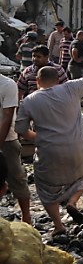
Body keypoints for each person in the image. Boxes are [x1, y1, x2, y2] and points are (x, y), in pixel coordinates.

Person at [16, 48, 83, 234]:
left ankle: (58, 225)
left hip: (49, 152)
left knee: (46, 189)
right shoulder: (71, 88)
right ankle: (73, 202)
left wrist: (37, 138)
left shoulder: (29, 101)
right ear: (57, 80)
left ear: (38, 81)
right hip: (78, 148)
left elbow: (20, 129)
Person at [0, 69, 33, 224]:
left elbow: (7, 117)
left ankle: (26, 217)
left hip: (6, 140)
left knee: (17, 178)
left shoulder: (7, 84)